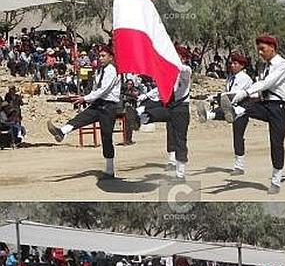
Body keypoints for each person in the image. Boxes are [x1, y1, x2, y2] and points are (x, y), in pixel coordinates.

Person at [229, 35, 285, 194]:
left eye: (262, 49)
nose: (260, 53)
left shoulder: (283, 65)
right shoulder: (263, 66)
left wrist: (245, 91)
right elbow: (261, 86)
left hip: (279, 107)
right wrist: (245, 96)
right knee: (243, 105)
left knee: (276, 144)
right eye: (258, 50)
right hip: (266, 104)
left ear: (272, 47)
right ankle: (223, 112)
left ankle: (276, 180)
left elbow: (267, 83)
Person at [47, 45, 121, 178]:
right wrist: (87, 98)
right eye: (99, 56)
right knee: (81, 118)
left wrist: (85, 98)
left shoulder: (111, 70)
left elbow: (103, 89)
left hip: (109, 106)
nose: (100, 58)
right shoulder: (100, 70)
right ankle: (62, 131)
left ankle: (110, 170)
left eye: (104, 56)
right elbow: (96, 89)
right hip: (98, 103)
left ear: (111, 57)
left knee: (106, 136)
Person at [133, 45, 194, 180]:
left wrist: (171, 62)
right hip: (170, 106)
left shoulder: (186, 70)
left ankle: (180, 173)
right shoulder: (168, 72)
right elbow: (161, 87)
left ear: (183, 58)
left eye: (176, 55)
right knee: (154, 112)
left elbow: (183, 71)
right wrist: (147, 95)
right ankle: (139, 117)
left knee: (180, 140)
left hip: (181, 109)